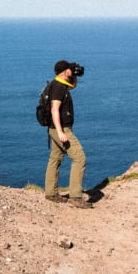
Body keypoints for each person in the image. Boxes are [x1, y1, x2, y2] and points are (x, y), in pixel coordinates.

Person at [44, 60, 93, 209]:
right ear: (65, 71)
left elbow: (73, 86)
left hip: (54, 129)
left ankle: (51, 193)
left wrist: (75, 75)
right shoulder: (59, 87)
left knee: (56, 158)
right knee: (79, 158)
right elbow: (54, 109)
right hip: (61, 129)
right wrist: (60, 132)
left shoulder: (56, 84)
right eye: (70, 70)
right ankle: (76, 197)